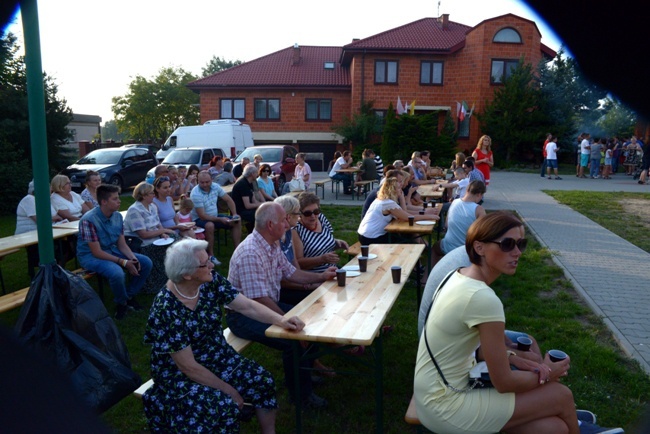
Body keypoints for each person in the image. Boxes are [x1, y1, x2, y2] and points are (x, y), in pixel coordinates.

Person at [415, 211, 623, 434]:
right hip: (446, 404)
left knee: (554, 428)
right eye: (507, 245)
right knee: (561, 395)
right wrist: (548, 374)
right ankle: (569, 418)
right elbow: (504, 382)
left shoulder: (457, 275)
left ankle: (560, 415)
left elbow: (475, 349)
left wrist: (516, 358)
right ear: (479, 248)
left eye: (520, 244)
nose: (517, 252)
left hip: (433, 392)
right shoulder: (482, 298)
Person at [143, 238, 305, 434]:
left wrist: (281, 320)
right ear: (187, 275)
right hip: (179, 374)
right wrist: (230, 391)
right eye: (205, 263)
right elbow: (188, 366)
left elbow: (247, 305)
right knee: (223, 406)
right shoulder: (166, 309)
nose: (212, 265)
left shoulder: (209, 282)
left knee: (262, 381)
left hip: (216, 355)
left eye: (209, 258)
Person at [226, 202, 337, 408]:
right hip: (243, 316)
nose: (288, 224)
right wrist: (285, 321)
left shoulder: (271, 243)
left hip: (264, 306)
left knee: (308, 319)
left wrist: (322, 276)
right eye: (284, 220)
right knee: (292, 339)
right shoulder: (251, 252)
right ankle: (301, 397)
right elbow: (257, 301)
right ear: (270, 225)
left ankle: (305, 373)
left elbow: (291, 273)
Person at [77, 184, 153, 319]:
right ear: (104, 202)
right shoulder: (88, 220)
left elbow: (122, 244)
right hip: (91, 256)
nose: (119, 201)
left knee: (145, 262)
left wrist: (132, 259)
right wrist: (124, 262)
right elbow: (96, 252)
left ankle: (128, 296)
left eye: (118, 198)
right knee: (117, 273)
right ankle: (121, 303)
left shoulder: (117, 216)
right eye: (115, 199)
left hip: (112, 250)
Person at [124, 182, 176, 294]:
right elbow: (143, 234)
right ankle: (157, 283)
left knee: (175, 240)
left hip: (155, 238)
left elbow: (158, 224)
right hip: (141, 243)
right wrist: (163, 231)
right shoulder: (135, 210)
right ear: (143, 195)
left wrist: (162, 234)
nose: (154, 195)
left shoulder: (152, 206)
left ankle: (172, 277)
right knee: (169, 247)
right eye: (152, 193)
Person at [358, 176, 435, 245]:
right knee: (408, 241)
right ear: (392, 190)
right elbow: (407, 217)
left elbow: (403, 213)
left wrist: (401, 198)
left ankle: (422, 249)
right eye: (398, 188)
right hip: (372, 238)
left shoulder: (381, 199)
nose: (401, 190)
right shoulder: (388, 203)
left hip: (363, 235)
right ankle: (416, 254)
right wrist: (429, 216)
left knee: (404, 235)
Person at [432, 180, 486, 265]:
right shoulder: (479, 210)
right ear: (479, 194)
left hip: (448, 246)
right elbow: (483, 234)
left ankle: (429, 276)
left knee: (434, 249)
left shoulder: (454, 202)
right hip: (466, 250)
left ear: (467, 190)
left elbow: (446, 226)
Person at [190, 171, 242, 259]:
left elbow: (229, 200)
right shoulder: (196, 193)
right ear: (198, 181)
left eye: (207, 182)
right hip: (199, 219)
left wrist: (235, 214)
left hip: (214, 215)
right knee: (210, 225)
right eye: (202, 182)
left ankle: (238, 250)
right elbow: (202, 216)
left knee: (237, 221)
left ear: (212, 180)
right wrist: (220, 219)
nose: (205, 184)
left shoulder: (215, 186)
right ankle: (211, 255)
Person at [294, 192, 349, 273]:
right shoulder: (296, 230)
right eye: (307, 213)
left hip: (332, 270)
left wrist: (336, 243)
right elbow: (298, 263)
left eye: (316, 211)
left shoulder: (321, 218)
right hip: (315, 276)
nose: (313, 216)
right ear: (300, 214)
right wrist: (321, 259)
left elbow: (322, 241)